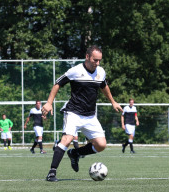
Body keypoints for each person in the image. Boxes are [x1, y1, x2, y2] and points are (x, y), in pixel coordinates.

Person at [42, 45, 123, 182]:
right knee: (66, 139)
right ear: (87, 57)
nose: (97, 63)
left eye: (99, 61)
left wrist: (113, 102)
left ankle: (75, 153)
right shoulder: (75, 71)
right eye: (94, 60)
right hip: (73, 113)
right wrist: (49, 103)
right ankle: (52, 172)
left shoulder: (100, 72)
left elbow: (104, 86)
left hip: (90, 116)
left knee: (101, 145)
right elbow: (58, 84)